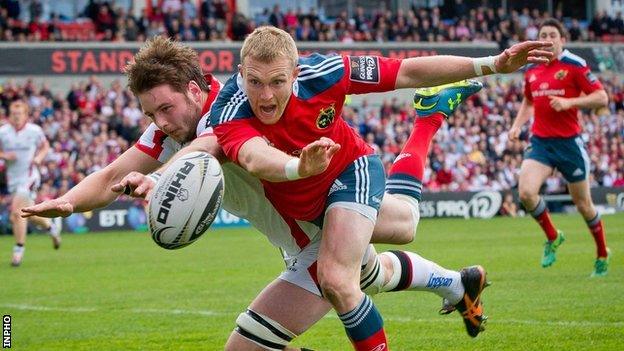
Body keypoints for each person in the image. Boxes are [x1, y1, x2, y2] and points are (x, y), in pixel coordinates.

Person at [21, 36, 504, 350]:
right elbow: (111, 176)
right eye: (151, 116)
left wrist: (160, 178)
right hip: (305, 229)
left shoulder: (226, 112)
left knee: (379, 247)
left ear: (195, 90)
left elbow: (229, 151)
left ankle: (428, 120)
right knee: (369, 267)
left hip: (328, 201)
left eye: (164, 109)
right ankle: (459, 283)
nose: (159, 123)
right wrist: (67, 202)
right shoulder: (172, 133)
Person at [209, 26, 552, 350]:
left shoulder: (326, 72)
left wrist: (492, 63)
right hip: (310, 207)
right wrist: (298, 166)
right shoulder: (228, 108)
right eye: (253, 82)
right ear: (240, 72)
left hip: (350, 172)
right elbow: (254, 158)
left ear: (296, 74)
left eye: (277, 82)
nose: (265, 96)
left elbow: (405, 72)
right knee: (400, 233)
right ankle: (457, 283)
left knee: (336, 278)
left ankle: (428, 121)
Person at [509, 18, 610, 277]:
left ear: (562, 39)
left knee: (583, 205)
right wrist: (517, 125)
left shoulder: (575, 65)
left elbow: (601, 97)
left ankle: (601, 254)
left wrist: (569, 104)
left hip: (569, 144)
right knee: (526, 193)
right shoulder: (532, 69)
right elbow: (528, 103)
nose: (548, 39)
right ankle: (553, 236)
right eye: (543, 35)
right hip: (541, 143)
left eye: (553, 34)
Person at [0, 100, 61, 267]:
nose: (16, 117)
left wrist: (39, 158)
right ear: (9, 115)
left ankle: (18, 251)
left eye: (19, 114)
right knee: (29, 214)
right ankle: (50, 227)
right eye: (13, 114)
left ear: (26, 115)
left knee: (16, 213)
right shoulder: (3, 132)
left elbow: (45, 146)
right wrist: (5, 156)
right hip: (13, 179)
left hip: (30, 177)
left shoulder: (34, 131)